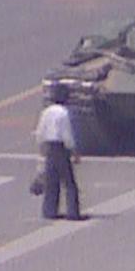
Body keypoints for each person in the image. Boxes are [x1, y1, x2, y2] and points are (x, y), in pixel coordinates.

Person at [34, 85, 82, 220]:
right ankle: (73, 212)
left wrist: (42, 150)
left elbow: (40, 132)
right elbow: (67, 134)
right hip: (61, 149)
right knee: (69, 183)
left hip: (50, 148)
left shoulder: (46, 112)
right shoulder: (64, 113)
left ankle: (49, 211)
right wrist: (74, 151)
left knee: (51, 182)